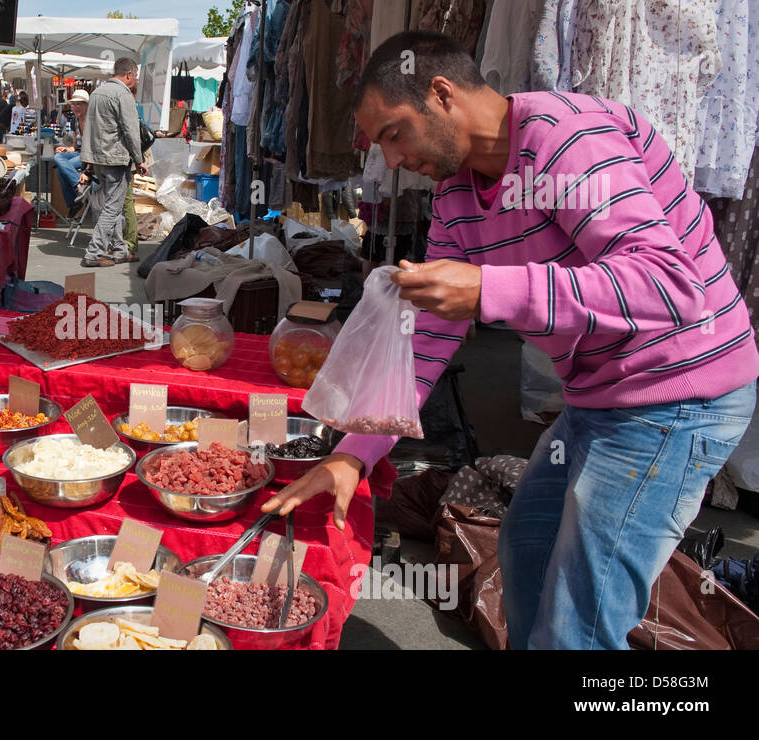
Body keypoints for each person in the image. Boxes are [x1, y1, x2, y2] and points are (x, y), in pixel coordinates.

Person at [263, 31, 759, 650]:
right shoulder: (455, 195)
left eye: (394, 133)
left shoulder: (568, 137)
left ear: (441, 93)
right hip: (596, 397)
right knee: (523, 561)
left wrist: (490, 290)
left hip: (676, 395)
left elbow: (667, 285)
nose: (389, 160)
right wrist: (353, 453)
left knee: (580, 618)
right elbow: (428, 334)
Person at [80, 58, 145, 268]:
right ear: (128, 75)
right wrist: (139, 158)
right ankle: (93, 252)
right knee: (112, 208)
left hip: (98, 156)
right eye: (135, 76)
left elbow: (89, 127)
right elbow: (130, 129)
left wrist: (88, 159)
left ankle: (120, 250)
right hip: (115, 157)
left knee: (112, 205)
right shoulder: (122, 93)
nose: (135, 80)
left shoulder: (98, 92)